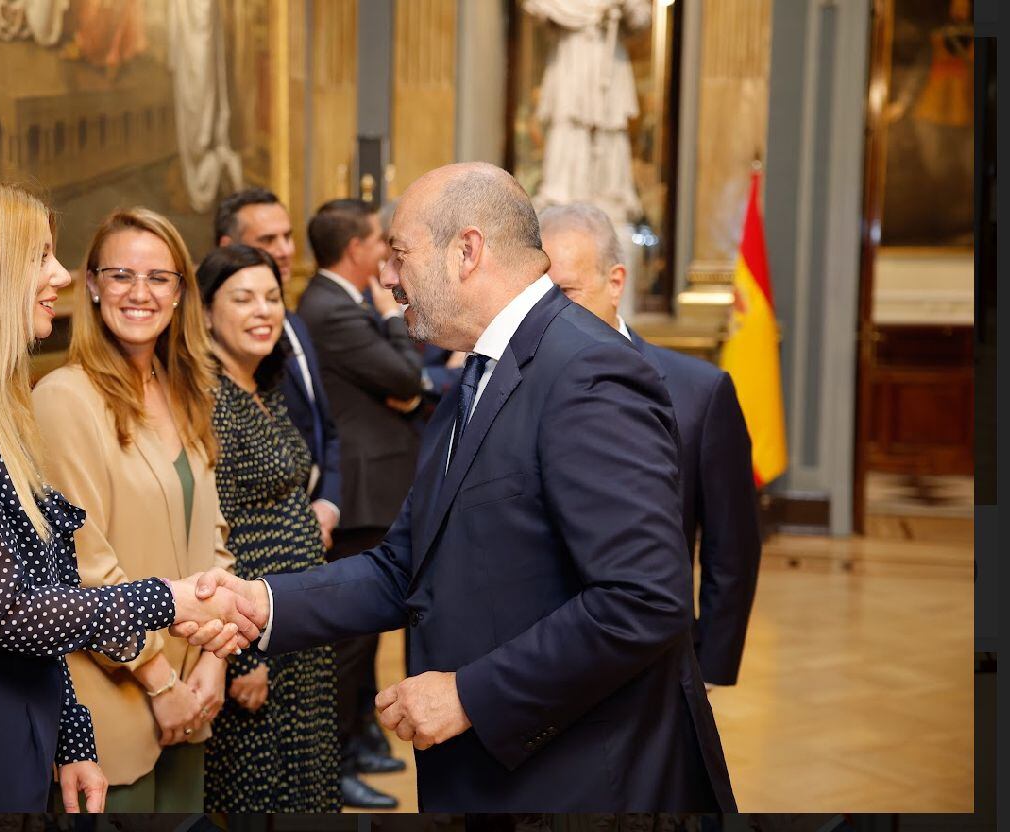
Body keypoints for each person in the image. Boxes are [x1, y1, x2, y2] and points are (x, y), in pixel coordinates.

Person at [188, 163, 737, 811]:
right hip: (496, 772)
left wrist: (470, 695)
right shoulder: (477, 375)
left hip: (579, 775)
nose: (386, 278)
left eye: (399, 255)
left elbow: (643, 599)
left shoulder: (588, 373)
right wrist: (262, 602)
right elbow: (405, 566)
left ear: (467, 251)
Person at [0, 172, 260, 813]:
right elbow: (6, 614)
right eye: (39, 257)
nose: (61, 276)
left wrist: (72, 739)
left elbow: (47, 589)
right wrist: (167, 600)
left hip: (23, 704)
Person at [32, 208, 236, 811]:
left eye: (159, 278)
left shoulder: (184, 390)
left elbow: (214, 541)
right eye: (121, 275)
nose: (140, 294)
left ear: (180, 293)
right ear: (91, 284)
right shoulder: (65, 399)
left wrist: (213, 664)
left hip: (194, 688)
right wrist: (161, 680)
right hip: (114, 698)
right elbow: (83, 567)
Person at [540, 202, 761, 688]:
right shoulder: (510, 383)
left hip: (652, 660)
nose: (549, 312)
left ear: (615, 281)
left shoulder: (698, 392)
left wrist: (710, 666)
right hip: (533, 656)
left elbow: (732, 546)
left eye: (565, 292)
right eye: (538, 296)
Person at [195, 244, 340, 812]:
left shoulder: (266, 387)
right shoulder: (205, 397)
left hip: (297, 626)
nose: (263, 310)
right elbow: (215, 530)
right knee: (258, 792)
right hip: (250, 634)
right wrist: (245, 656)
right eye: (243, 298)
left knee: (306, 781)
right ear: (205, 312)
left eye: (272, 297)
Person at [301, 198, 433, 805]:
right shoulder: (333, 309)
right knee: (349, 647)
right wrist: (387, 316)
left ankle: (359, 740)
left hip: (378, 481)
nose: (384, 251)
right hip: (360, 489)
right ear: (356, 248)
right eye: (381, 240)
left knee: (368, 638)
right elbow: (408, 376)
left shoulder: (342, 303)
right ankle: (335, 765)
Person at [214, 188, 343, 554]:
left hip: (311, 545)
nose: (286, 250)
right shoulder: (211, 394)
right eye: (268, 240)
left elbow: (326, 428)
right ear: (228, 246)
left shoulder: (295, 325)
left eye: (288, 236)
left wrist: (326, 505)